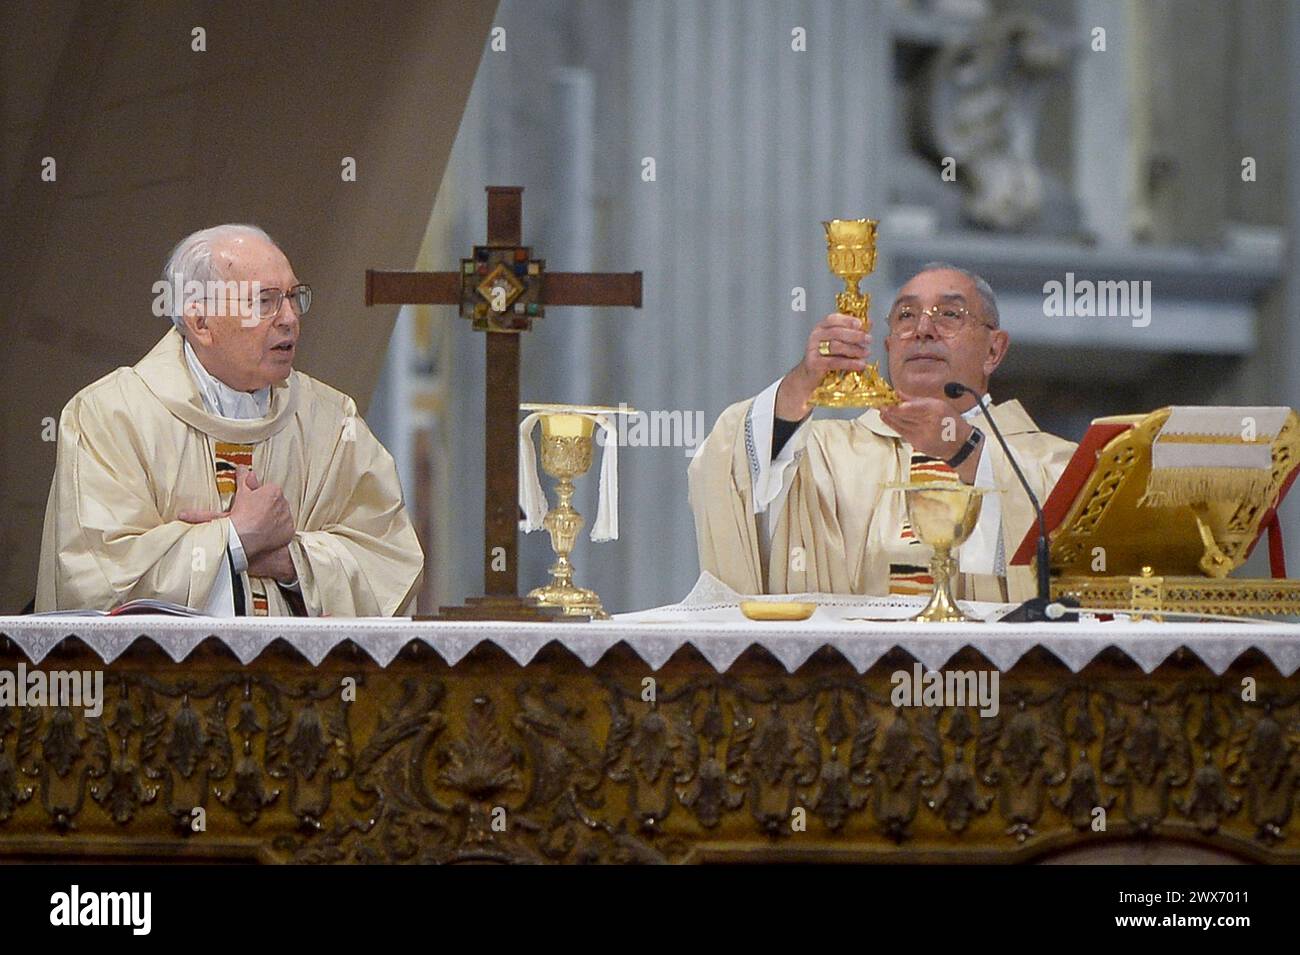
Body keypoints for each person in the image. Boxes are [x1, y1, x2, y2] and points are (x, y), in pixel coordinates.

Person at [35, 224, 423, 616]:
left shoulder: (333, 422)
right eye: (265, 301)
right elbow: (95, 577)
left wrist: (291, 562)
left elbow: (390, 561)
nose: (289, 318)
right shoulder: (112, 415)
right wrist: (235, 539)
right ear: (201, 321)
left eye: (293, 297)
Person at [688, 263, 1076, 602]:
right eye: (906, 316)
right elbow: (727, 464)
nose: (923, 329)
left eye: (950, 315)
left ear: (994, 350)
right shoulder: (822, 452)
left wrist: (966, 452)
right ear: (889, 347)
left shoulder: (1051, 462)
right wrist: (804, 382)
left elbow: (1072, 550)